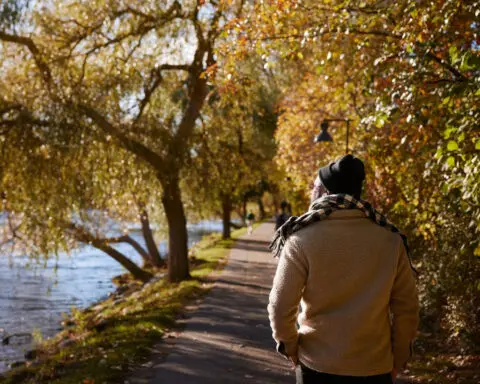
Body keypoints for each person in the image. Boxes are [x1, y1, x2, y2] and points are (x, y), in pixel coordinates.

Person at [268, 154, 419, 384]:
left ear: (325, 192)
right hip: (374, 367)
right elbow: (407, 308)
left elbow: (280, 306)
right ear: (358, 191)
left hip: (317, 364)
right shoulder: (390, 239)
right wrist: (397, 359)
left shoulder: (300, 238)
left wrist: (290, 346)